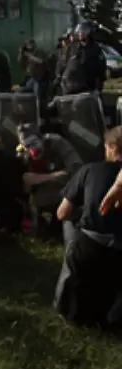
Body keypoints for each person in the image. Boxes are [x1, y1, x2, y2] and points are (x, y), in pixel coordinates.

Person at [54, 125, 122, 329]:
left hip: (89, 246)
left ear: (110, 147)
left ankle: (61, 305)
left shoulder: (90, 170)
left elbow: (62, 213)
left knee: (67, 220)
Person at [58, 22, 105, 96]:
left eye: (83, 31)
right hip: (71, 88)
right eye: (79, 31)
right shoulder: (72, 47)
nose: (80, 33)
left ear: (89, 33)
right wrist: (60, 76)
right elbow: (63, 63)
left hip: (88, 88)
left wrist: (98, 88)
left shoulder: (96, 49)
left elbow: (101, 70)